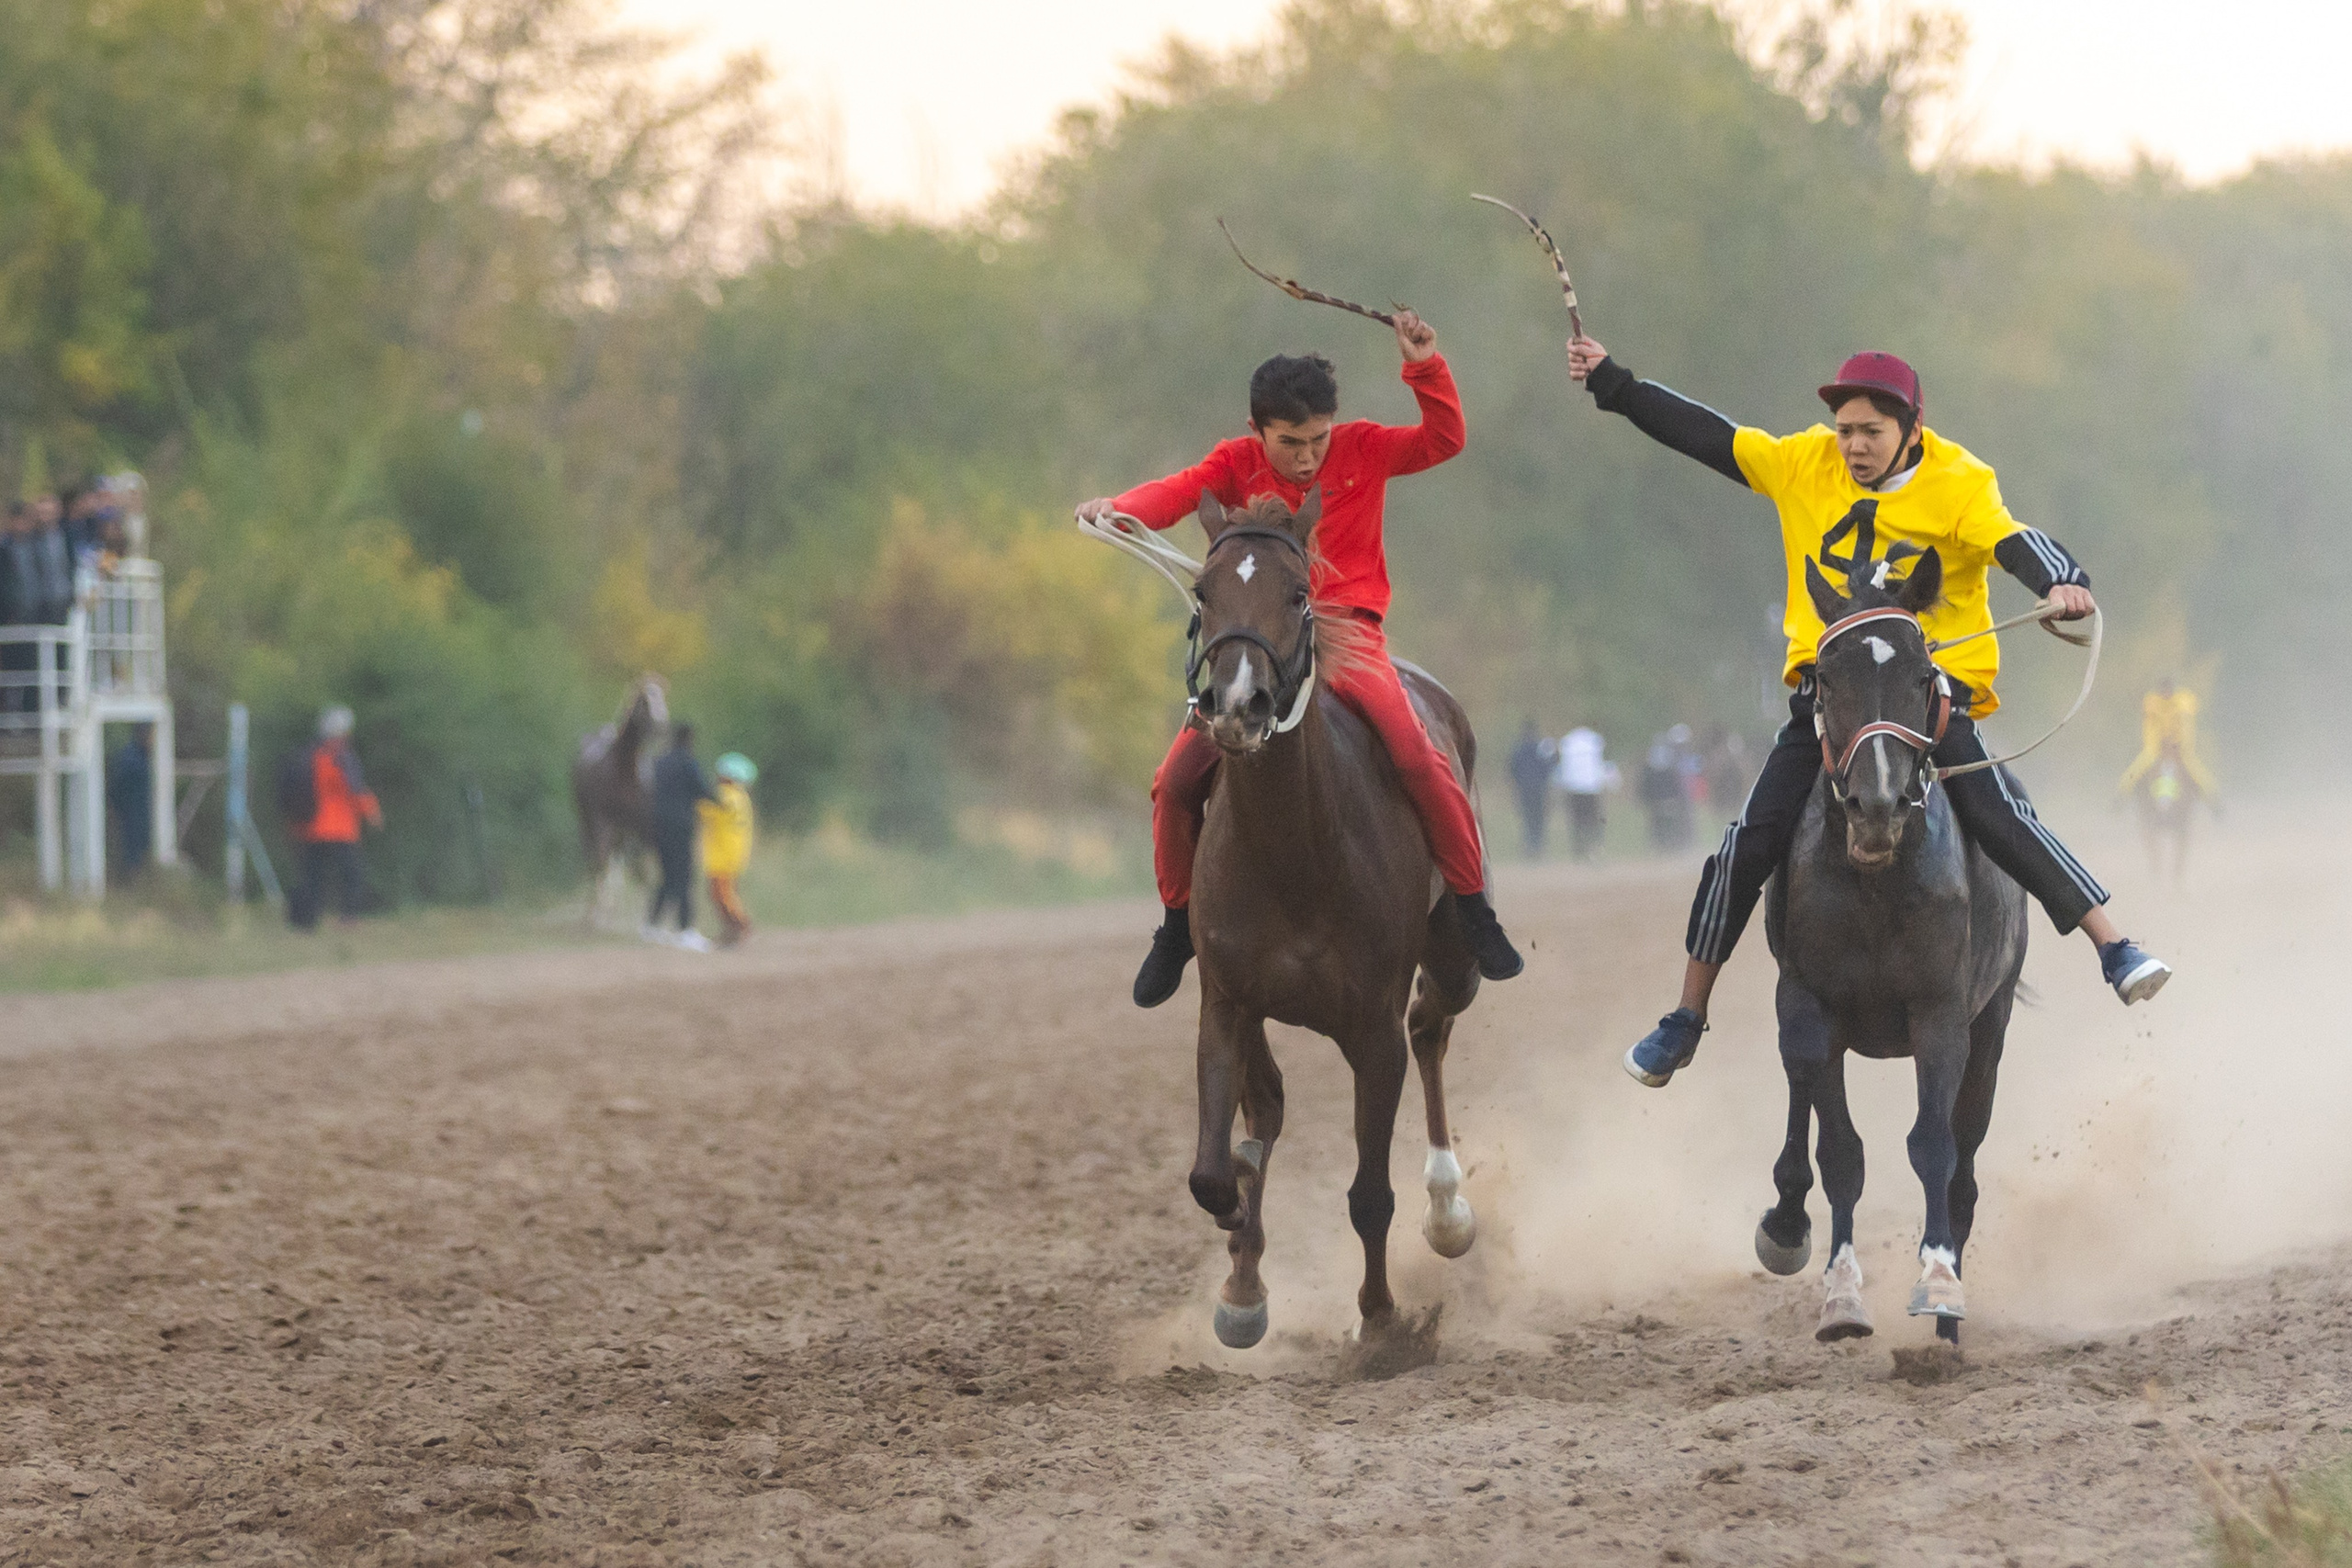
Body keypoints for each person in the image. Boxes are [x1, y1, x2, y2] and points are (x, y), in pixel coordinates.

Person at [1565, 335, 2172, 1089]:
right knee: (1744, 844)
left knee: (1998, 814)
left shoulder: (1959, 479)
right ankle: (1685, 1016)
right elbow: (1708, 436)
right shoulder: (1801, 462)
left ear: (1911, 429)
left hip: (1926, 699)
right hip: (1835, 699)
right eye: (1845, 430)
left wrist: (2064, 579)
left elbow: (2012, 540)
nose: (1852, 446)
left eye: (1870, 433)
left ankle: (2113, 946)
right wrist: (1613, 384)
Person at [1076, 309, 1522, 1005]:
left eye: (1318, 439)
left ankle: (1472, 908)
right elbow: (1174, 492)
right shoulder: (1233, 462)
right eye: (1290, 442)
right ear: (1259, 431)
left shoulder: (1368, 448)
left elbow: (1445, 439)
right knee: (1172, 782)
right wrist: (1120, 508)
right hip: (1265, 642)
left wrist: (1425, 367)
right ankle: (1174, 926)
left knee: (1418, 757)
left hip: (1351, 639)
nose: (1308, 456)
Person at [292, 705, 382, 929]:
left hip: (313, 827)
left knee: (313, 876)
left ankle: (307, 921)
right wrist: (372, 812)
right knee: (351, 875)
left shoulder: (311, 755)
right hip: (342, 828)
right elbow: (356, 789)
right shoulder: (344, 757)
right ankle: (349, 917)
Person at [646, 720, 717, 951]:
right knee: (685, 877)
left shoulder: (660, 762)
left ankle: (652, 926)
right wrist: (723, 802)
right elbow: (702, 791)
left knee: (666, 876)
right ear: (689, 739)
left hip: (658, 825)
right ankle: (685, 930)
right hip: (681, 827)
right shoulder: (688, 762)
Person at [2119, 676, 2217, 803]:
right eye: (2163, 690)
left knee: (2190, 762)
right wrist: (2157, 744)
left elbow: (2186, 726)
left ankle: (2212, 796)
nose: (2166, 693)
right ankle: (2122, 792)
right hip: (2157, 744)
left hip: (2180, 744)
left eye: (2168, 690)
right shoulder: (2152, 702)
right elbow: (2150, 728)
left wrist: (2180, 743)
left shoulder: (2183, 700)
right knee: (2144, 760)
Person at [699, 751, 758, 947]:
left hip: (722, 854)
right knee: (722, 893)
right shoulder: (742, 797)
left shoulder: (724, 796)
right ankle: (730, 931)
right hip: (734, 853)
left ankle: (741, 927)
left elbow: (705, 811)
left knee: (722, 894)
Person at [1556, 724, 1611, 860]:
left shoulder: (1568, 742)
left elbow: (1563, 767)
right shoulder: (1594, 741)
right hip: (1591, 788)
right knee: (1594, 820)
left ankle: (1579, 850)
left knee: (1577, 821)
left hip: (1573, 788)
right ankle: (1595, 848)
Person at [107, 725, 154, 874]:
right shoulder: (130, 758)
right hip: (131, 812)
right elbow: (118, 787)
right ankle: (132, 879)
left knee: (143, 846)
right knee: (132, 848)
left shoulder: (145, 756)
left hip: (143, 812)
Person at [1508, 718, 1556, 858]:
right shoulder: (1542, 748)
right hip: (1540, 789)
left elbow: (1512, 769)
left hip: (1524, 789)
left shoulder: (1518, 749)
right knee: (1539, 818)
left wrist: (1516, 787)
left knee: (1527, 818)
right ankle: (1539, 848)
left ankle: (1529, 848)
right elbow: (1549, 767)